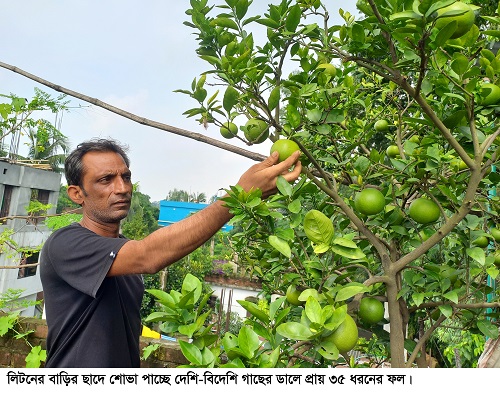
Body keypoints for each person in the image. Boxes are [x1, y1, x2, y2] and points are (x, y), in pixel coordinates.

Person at [39, 137, 302, 367]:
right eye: (105, 180)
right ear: (76, 194)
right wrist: (239, 196)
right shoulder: (65, 243)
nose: (122, 188)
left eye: (126, 177)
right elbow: (149, 255)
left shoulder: (125, 259)